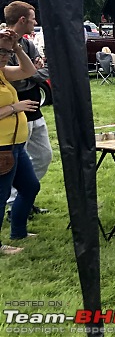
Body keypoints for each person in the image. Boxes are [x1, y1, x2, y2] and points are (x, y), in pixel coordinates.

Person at [4, 2, 51, 218]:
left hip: (33, 107)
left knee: (44, 155)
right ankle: (15, 205)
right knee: (12, 164)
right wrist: (31, 71)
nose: (36, 22)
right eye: (33, 18)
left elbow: (41, 71)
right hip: (13, 114)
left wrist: (30, 71)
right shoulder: (3, 41)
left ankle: (24, 198)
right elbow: (17, 80)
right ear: (22, 19)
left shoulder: (26, 44)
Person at [0, 28, 40, 254]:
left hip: (16, 144)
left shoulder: (3, 73)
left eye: (6, 53)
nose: (4, 57)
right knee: (1, 195)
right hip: (1, 146)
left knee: (30, 186)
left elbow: (29, 70)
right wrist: (15, 108)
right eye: (1, 52)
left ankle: (18, 231)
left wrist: (16, 46)